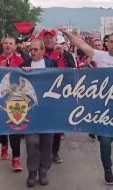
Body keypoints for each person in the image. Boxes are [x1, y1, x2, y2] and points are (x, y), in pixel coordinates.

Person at [61, 28, 113, 185]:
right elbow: (82, 44)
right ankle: (108, 172)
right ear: (107, 43)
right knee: (105, 142)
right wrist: (68, 35)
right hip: (104, 110)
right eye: (110, 41)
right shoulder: (101, 56)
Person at [39, 29, 76, 164]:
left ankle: (54, 152)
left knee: (57, 125)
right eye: (46, 38)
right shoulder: (38, 54)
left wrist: (63, 55)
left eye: (51, 38)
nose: (48, 40)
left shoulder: (66, 54)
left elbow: (73, 70)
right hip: (42, 94)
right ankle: (42, 151)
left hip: (60, 94)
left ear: (56, 40)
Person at [23, 39, 57, 188]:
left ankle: (43, 171)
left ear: (43, 51)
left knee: (47, 142)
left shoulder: (51, 64)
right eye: (31, 50)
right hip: (30, 110)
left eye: (36, 49)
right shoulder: (23, 64)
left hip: (48, 110)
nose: (33, 52)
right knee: (31, 142)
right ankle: (32, 172)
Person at [0, 36, 24, 172]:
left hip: (16, 99)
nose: (8, 46)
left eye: (11, 43)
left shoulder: (20, 60)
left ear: (15, 46)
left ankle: (16, 158)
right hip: (0, 99)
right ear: (2, 45)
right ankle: (4, 145)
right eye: (5, 43)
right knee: (3, 125)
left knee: (15, 126)